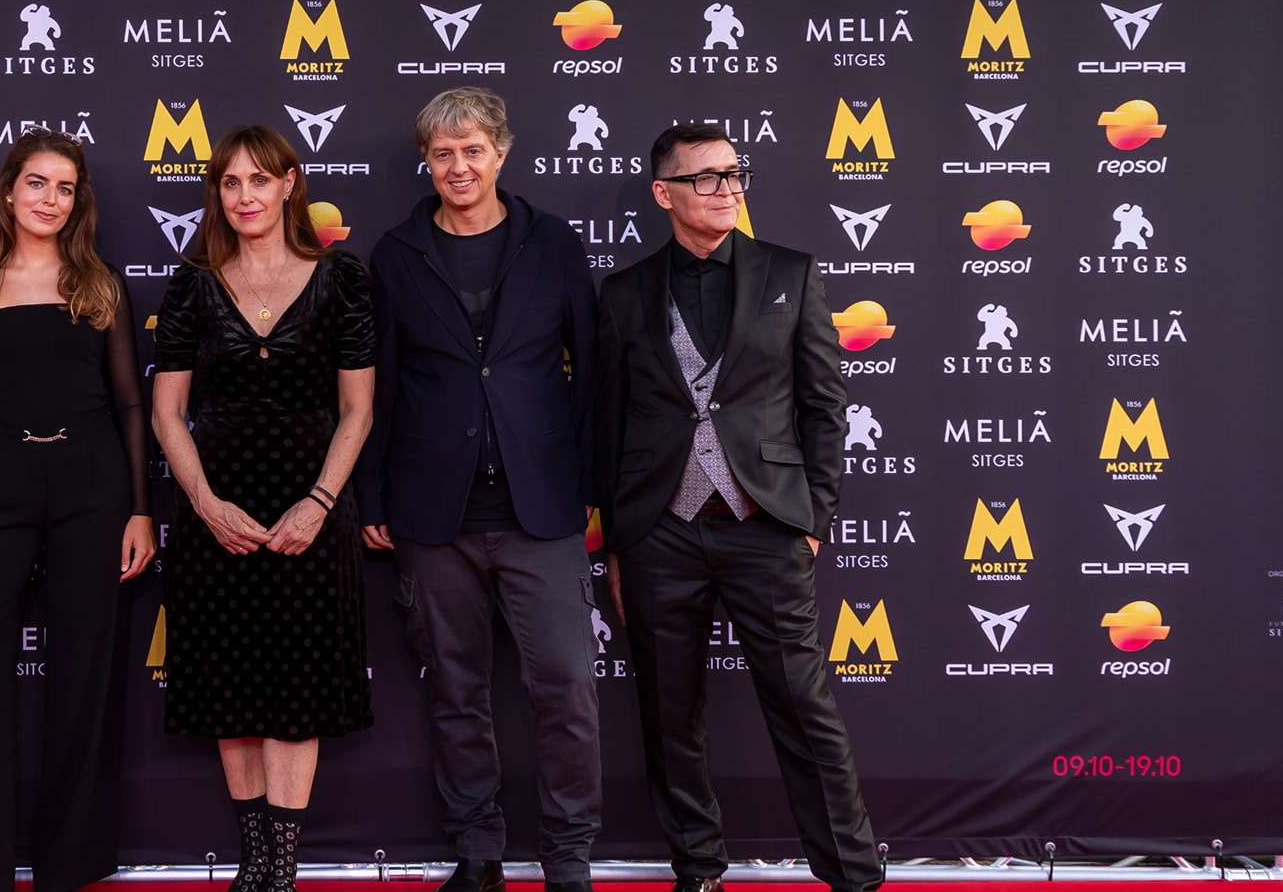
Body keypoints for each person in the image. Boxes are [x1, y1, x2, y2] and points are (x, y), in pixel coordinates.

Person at [592, 123, 883, 892]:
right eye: (707, 178)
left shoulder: (792, 272)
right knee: (668, 713)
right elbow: (607, 422)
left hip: (768, 527)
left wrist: (814, 519)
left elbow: (826, 407)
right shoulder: (623, 293)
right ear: (664, 194)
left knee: (803, 708)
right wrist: (619, 543)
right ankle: (698, 868)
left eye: (735, 174)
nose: (727, 189)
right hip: (660, 532)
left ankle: (854, 875)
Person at [353, 88, 601, 892]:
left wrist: (590, 486)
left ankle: (568, 856)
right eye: (442, 153)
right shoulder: (395, 255)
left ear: (502, 152)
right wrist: (373, 497)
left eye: (473, 150)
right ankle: (478, 851)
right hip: (434, 513)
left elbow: (591, 374)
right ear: (425, 161)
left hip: (542, 510)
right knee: (456, 692)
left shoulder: (553, 244)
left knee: (564, 685)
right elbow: (379, 389)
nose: (458, 166)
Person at [0, 132, 159, 892]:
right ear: (9, 191)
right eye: (37, 184)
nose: (51, 199)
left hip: (94, 483)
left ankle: (71, 865)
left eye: (65, 188)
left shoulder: (100, 283)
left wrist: (141, 510)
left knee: (85, 670)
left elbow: (129, 402)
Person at [150, 125, 379, 892]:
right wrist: (206, 505)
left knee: (296, 691)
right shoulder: (190, 285)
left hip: (311, 517)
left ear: (290, 185)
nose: (244, 196)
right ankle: (253, 864)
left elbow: (357, 411)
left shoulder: (343, 281)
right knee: (232, 689)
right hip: (217, 516)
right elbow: (165, 414)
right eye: (230, 182)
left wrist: (319, 502)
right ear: (217, 193)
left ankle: (279, 871)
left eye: (259, 180)